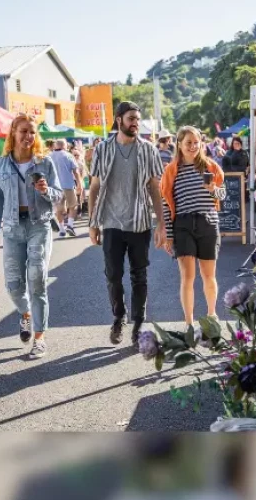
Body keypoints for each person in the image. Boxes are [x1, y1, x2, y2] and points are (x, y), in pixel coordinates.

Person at [88, 101, 167, 346]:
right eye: (131, 118)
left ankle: (138, 322)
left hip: (140, 222)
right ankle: (119, 316)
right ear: (119, 119)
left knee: (139, 275)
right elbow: (94, 188)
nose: (135, 123)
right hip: (111, 222)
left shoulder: (149, 150)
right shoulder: (102, 149)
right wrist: (92, 223)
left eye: (137, 119)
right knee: (113, 275)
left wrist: (161, 224)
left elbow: (155, 188)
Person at [0, 114, 63, 359]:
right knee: (13, 285)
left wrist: (46, 190)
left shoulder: (45, 163)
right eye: (24, 131)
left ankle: (39, 338)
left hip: (39, 224)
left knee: (37, 279)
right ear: (13, 134)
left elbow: (59, 194)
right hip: (11, 228)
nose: (29, 136)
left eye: (32, 132)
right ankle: (26, 314)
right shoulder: (1, 165)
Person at [160, 126, 225, 326]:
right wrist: (168, 235)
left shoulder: (210, 166)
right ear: (179, 144)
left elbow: (222, 195)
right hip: (183, 225)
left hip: (208, 222)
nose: (193, 146)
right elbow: (166, 203)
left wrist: (213, 189)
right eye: (188, 143)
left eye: (196, 143)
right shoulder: (171, 170)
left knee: (208, 275)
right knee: (188, 276)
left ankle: (212, 314)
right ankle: (189, 322)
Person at [50, 138, 82, 237]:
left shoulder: (49, 156)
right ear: (65, 146)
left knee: (58, 209)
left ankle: (62, 229)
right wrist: (79, 184)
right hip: (68, 185)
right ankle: (70, 225)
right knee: (73, 206)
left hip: (55, 187)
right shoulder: (68, 156)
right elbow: (76, 172)